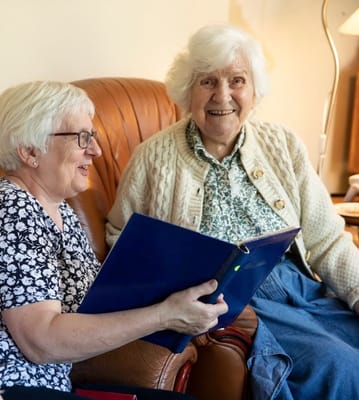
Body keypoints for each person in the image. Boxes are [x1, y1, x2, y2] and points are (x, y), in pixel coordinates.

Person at [106, 24, 359, 400]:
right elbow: (119, 240)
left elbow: (326, 239)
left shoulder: (282, 144)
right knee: (339, 364)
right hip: (236, 300)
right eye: (207, 81)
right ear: (186, 91)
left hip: (301, 287)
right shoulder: (153, 158)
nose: (222, 96)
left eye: (236, 80)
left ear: (254, 90)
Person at [0, 80, 228, 400]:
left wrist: (184, 299)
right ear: (29, 151)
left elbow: (94, 310)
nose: (95, 150)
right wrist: (164, 314)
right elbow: (41, 342)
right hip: (8, 388)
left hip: (51, 386)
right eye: (82, 137)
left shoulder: (61, 213)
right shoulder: (9, 210)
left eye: (92, 136)